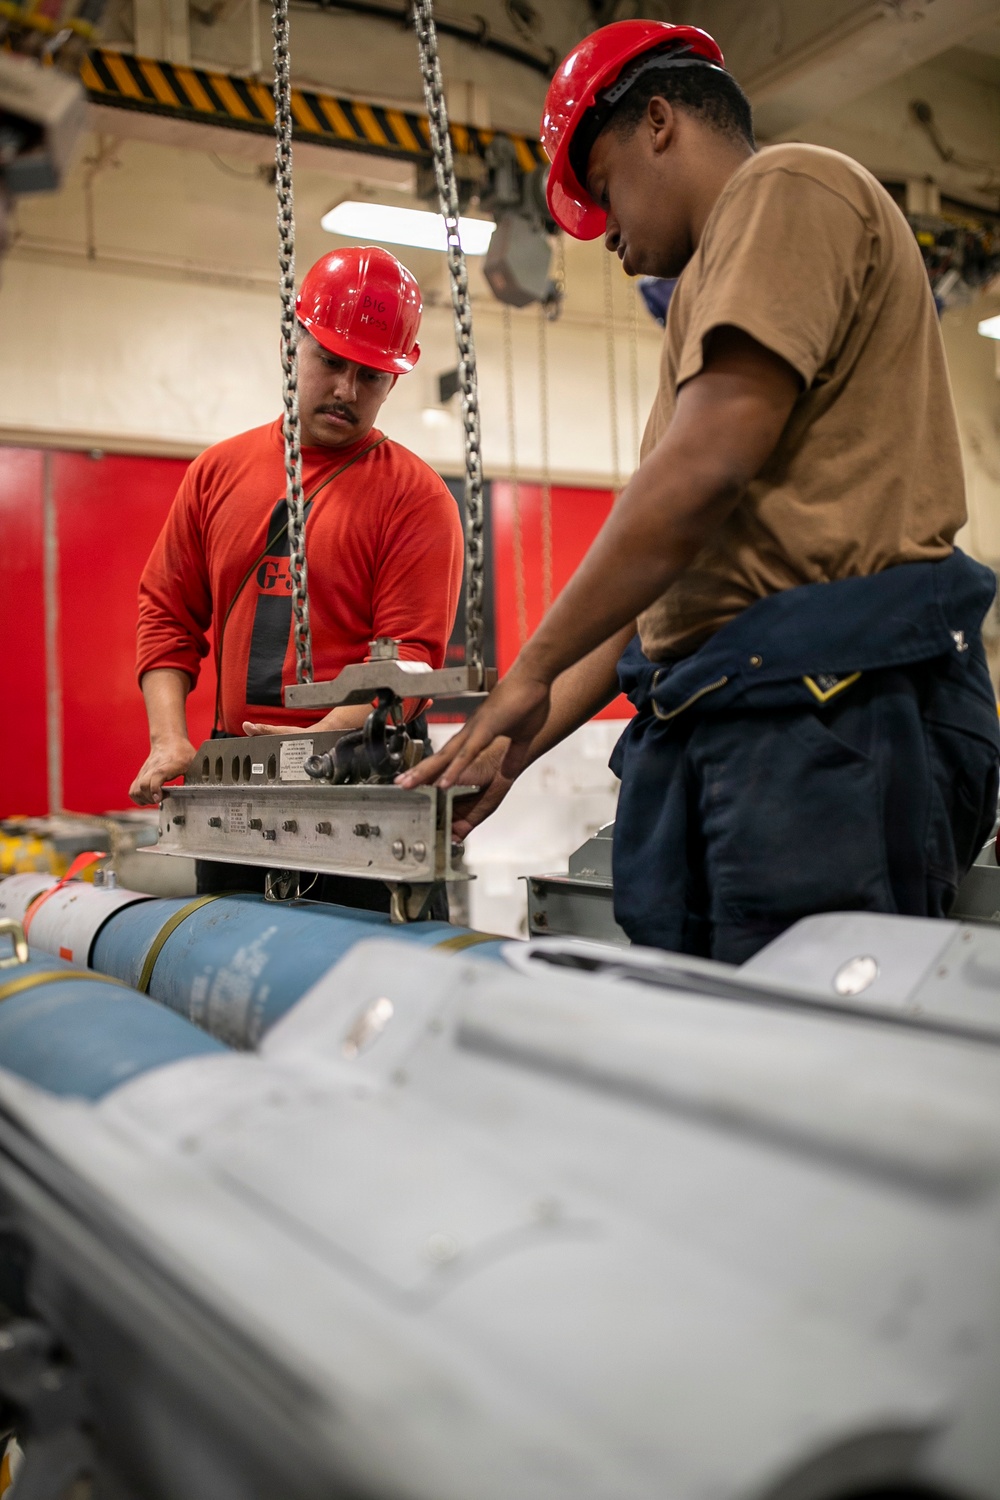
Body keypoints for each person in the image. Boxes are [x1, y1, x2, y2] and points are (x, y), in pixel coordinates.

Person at [399, 19, 1000, 962]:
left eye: (604, 191)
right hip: (754, 715)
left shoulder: (786, 187)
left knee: (793, 1057)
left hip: (823, 719)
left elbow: (699, 473)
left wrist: (523, 675)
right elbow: (665, 598)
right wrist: (512, 744)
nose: (608, 241)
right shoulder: (717, 295)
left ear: (661, 124)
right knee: (725, 1048)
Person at [130, 245, 464, 905]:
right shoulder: (218, 474)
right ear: (293, 346)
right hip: (237, 791)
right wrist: (169, 740)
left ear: (395, 380)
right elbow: (166, 612)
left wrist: (317, 742)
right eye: (331, 362)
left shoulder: (415, 498)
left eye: (370, 376)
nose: (346, 390)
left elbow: (412, 661)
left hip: (367, 789)